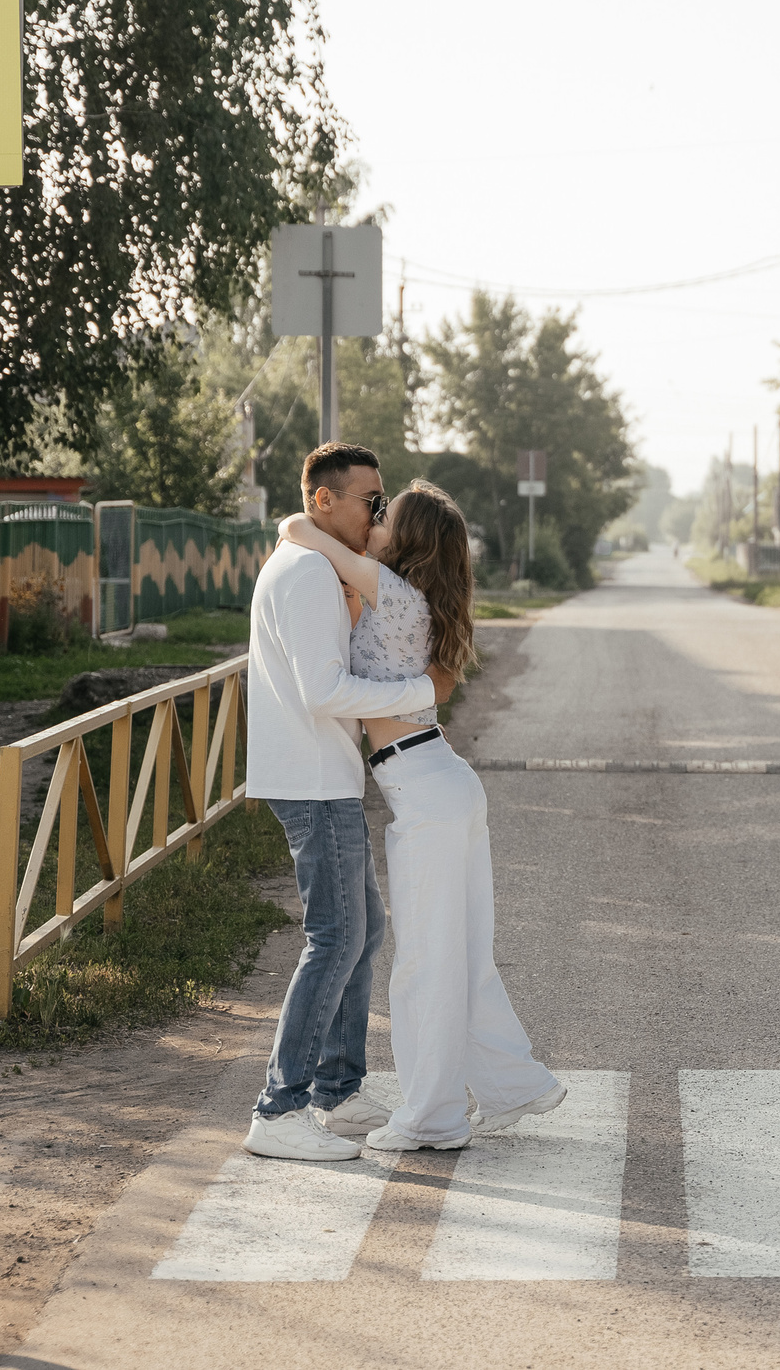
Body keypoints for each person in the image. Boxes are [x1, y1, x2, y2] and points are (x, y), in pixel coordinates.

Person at [279, 479, 565, 1151]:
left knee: (426, 964)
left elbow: (297, 528)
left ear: (403, 536)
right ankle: (513, 1083)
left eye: (386, 513)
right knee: (462, 955)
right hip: (442, 782)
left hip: (427, 793)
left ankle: (433, 1116)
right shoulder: (412, 599)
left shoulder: (388, 587)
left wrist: (339, 532)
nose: (374, 520)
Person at [242, 443, 455, 1162]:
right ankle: (280, 1107)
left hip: (324, 771)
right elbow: (323, 690)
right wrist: (415, 696)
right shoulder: (304, 573)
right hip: (309, 776)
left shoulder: (313, 564)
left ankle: (336, 1087)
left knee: (360, 932)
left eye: (382, 499)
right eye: (371, 499)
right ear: (322, 500)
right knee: (335, 936)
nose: (379, 511)